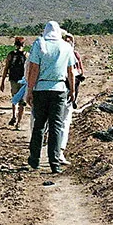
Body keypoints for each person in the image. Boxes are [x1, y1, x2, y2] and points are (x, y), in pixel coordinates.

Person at [25, 21, 76, 174]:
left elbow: (34, 69)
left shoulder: (39, 44)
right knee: (56, 126)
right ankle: (54, 163)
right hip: (59, 89)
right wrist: (72, 91)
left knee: (39, 124)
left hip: (41, 89)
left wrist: (30, 90)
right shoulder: (66, 47)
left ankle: (34, 159)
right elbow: (70, 71)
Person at [55, 32, 85, 165]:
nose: (69, 43)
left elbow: (79, 72)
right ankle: (56, 151)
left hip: (64, 91)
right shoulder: (62, 54)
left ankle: (58, 151)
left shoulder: (72, 54)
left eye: (71, 41)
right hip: (61, 90)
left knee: (63, 121)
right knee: (61, 121)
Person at [0, 36, 29, 129]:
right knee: (22, 102)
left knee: (15, 99)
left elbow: (6, 68)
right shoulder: (27, 55)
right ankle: (18, 122)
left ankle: (14, 116)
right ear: (23, 44)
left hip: (14, 80)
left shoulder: (11, 55)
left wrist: (2, 81)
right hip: (24, 81)